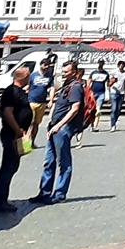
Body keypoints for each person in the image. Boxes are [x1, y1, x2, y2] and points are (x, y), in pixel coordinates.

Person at [36, 62, 85, 204]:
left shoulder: (76, 87)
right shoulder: (66, 85)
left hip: (63, 129)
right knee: (48, 162)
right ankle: (44, 192)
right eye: (63, 71)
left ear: (74, 72)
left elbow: (75, 108)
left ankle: (59, 194)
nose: (63, 74)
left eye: (66, 72)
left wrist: (59, 125)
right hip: (54, 128)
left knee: (64, 163)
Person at [0, 64, 32, 214]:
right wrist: (17, 130)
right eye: (28, 76)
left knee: (11, 166)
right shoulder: (11, 92)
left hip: (16, 133)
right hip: (12, 134)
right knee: (9, 166)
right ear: (24, 77)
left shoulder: (18, 91)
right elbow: (8, 113)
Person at [26, 56, 52, 144]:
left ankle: (32, 142)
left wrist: (51, 100)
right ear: (41, 65)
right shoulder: (33, 75)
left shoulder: (49, 77)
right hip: (31, 101)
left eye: (48, 65)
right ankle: (26, 144)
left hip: (42, 103)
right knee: (30, 123)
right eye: (45, 65)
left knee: (36, 124)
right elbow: (28, 86)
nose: (46, 67)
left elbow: (52, 88)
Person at [87, 55, 111, 132]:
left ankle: (95, 126)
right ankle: (91, 124)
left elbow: (108, 85)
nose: (101, 64)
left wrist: (108, 95)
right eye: (100, 63)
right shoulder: (93, 72)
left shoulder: (106, 73)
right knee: (92, 109)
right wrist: (87, 91)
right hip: (93, 92)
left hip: (101, 93)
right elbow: (89, 82)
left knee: (98, 109)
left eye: (102, 63)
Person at [108, 61, 125, 131]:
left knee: (118, 110)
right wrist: (112, 84)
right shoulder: (114, 72)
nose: (121, 67)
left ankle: (114, 122)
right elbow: (109, 83)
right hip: (114, 92)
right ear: (118, 66)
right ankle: (112, 125)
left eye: (123, 66)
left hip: (121, 93)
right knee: (114, 109)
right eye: (120, 66)